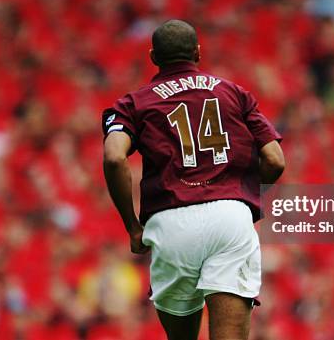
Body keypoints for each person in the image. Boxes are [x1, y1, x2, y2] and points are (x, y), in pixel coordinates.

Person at [102, 19, 284, 340]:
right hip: (230, 215)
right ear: (198, 52)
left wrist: (132, 226)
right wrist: (244, 196)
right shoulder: (234, 93)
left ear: (153, 57)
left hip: (171, 221)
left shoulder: (134, 103)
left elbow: (115, 157)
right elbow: (274, 159)